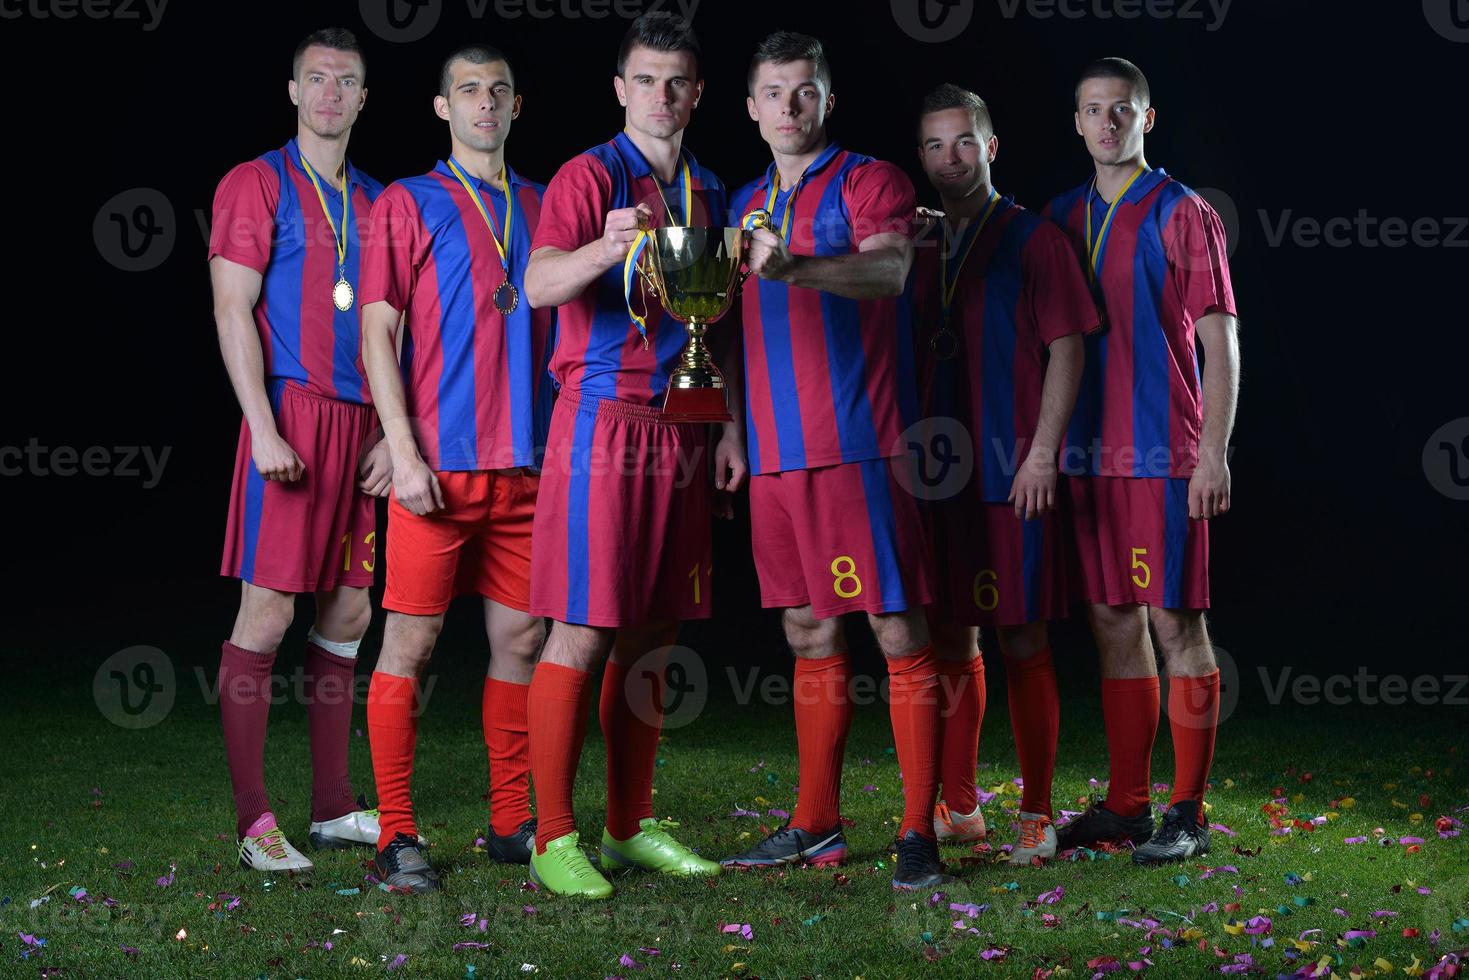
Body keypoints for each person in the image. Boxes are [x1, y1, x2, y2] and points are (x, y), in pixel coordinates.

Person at [519, 11, 743, 899]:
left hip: (683, 424)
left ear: (696, 93)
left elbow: (714, 325)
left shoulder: (712, 189)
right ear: (621, 89)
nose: (660, 95)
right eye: (644, 80)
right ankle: (552, 836)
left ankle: (625, 826)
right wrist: (596, 251)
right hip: (604, 422)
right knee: (583, 624)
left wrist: (723, 426)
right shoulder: (586, 175)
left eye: (676, 81)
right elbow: (534, 284)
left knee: (655, 631)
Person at [718, 31, 948, 891]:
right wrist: (735, 430)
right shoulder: (741, 202)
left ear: (827, 99)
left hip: (859, 443)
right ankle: (816, 824)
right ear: (750, 107)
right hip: (776, 453)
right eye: (773, 93)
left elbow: (889, 272)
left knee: (895, 628)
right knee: (806, 629)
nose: (788, 107)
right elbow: (730, 330)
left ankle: (917, 830)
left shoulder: (870, 179)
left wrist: (799, 264)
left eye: (803, 91)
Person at [358, 44, 559, 891]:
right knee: (412, 639)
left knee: (520, 641)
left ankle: (511, 820)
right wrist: (400, 451)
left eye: (500, 90)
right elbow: (376, 332)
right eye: (468, 91)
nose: (485, 103)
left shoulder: (550, 206)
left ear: (518, 107)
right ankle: (395, 835)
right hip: (436, 467)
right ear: (443, 108)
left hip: (529, 468)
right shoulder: (408, 201)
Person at [1043, 57, 1240, 864]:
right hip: (1090, 458)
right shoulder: (1059, 216)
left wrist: (1213, 454)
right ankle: (1126, 806)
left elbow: (1219, 339)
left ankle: (1185, 811)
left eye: (1121, 109)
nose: (1107, 123)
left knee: (1174, 624)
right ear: (1078, 122)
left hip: (1165, 453)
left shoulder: (1182, 211)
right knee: (1111, 624)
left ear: (1145, 119)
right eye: (1092, 110)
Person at [209, 27, 388, 872]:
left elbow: (399, 332)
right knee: (269, 610)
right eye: (314, 78)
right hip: (292, 415)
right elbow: (231, 310)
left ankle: (331, 807)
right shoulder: (255, 182)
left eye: (344, 81)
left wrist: (393, 433)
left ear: (362, 97)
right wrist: (263, 426)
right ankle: (255, 823)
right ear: (293, 92)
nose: (328, 93)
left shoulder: (381, 200)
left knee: (350, 610)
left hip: (364, 424)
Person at [910, 84, 1094, 863]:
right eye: (933, 145)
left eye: (963, 141)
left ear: (991, 145)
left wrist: (1043, 452)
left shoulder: (1035, 239)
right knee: (949, 635)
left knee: (1021, 636)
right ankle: (958, 806)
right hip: (933, 473)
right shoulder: (912, 244)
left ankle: (1036, 812)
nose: (949, 159)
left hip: (1010, 469)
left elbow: (1069, 347)